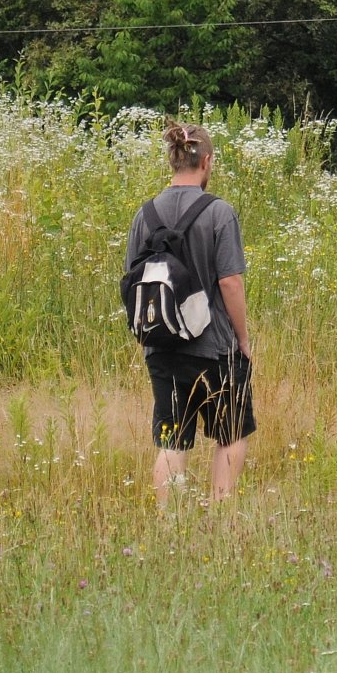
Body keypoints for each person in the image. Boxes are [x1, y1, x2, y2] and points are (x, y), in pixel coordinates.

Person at [126, 121, 254, 504]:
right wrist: (243, 339)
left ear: (173, 160)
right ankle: (220, 514)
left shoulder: (145, 215)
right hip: (215, 349)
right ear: (207, 161)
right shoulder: (219, 213)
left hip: (162, 348)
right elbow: (230, 282)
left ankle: (169, 524)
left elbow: (132, 279)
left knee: (172, 441)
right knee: (231, 434)